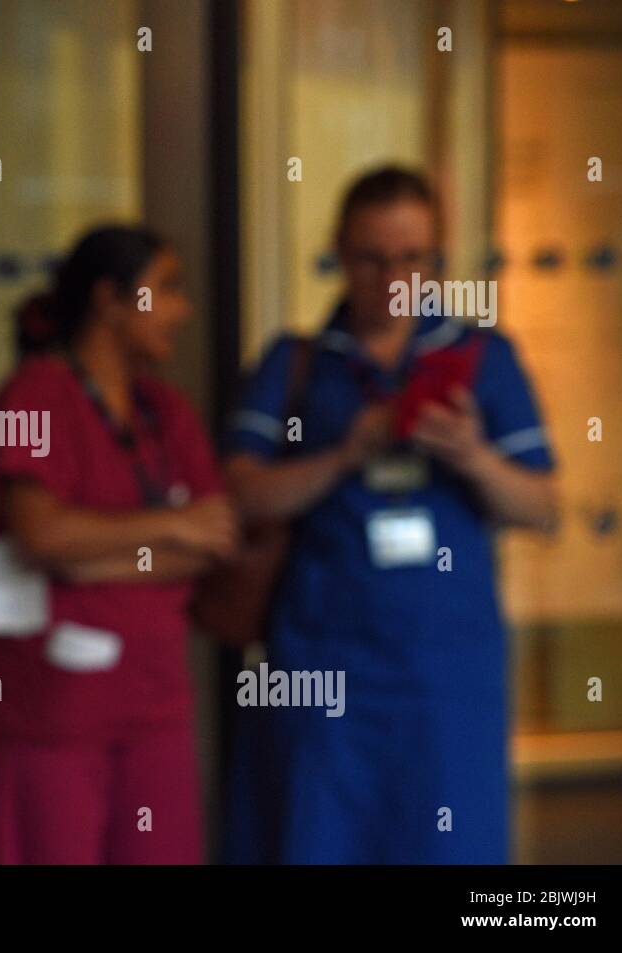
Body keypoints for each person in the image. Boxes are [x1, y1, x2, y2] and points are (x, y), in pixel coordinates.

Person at [222, 166, 558, 864]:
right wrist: (344, 455)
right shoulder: (298, 363)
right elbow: (241, 494)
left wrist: (472, 455)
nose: (394, 278)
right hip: (326, 657)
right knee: (321, 839)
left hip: (446, 666)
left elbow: (544, 505)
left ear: (436, 258)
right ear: (339, 253)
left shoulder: (482, 357)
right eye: (373, 258)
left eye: (413, 258)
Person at [0, 226, 238, 864]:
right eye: (167, 289)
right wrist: (169, 525)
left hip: (155, 704)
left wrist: (87, 554)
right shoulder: (37, 393)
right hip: (51, 711)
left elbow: (217, 538)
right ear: (109, 300)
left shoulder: (164, 410)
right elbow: (40, 532)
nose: (184, 310)